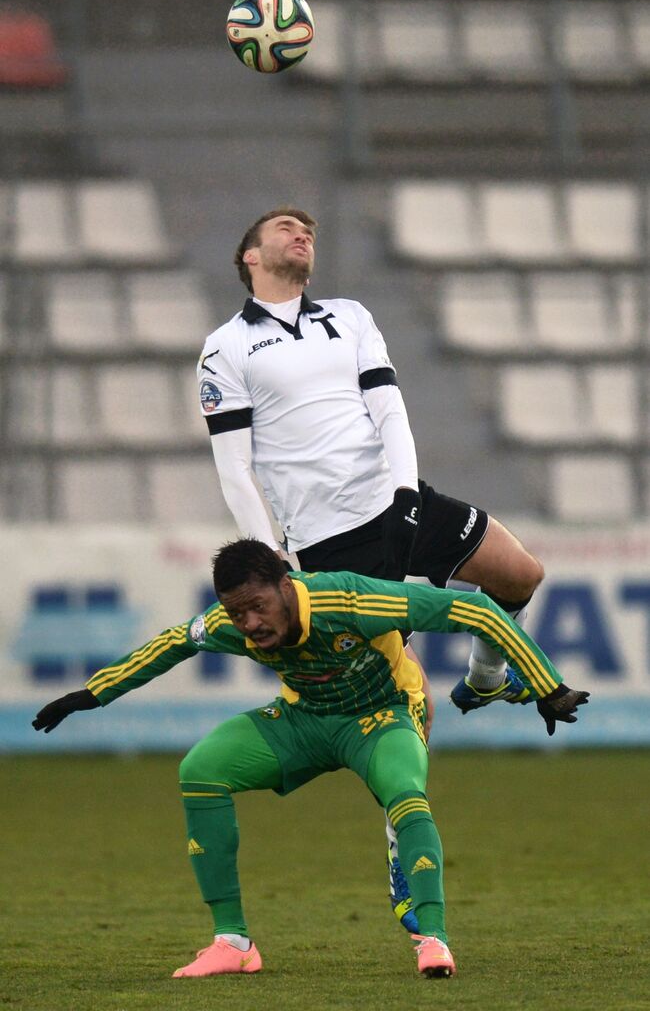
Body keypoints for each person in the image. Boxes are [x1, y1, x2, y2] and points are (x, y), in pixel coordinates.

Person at [196, 207, 548, 926]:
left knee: (520, 575)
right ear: (249, 254)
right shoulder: (225, 349)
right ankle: (399, 846)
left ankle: (485, 680)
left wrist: (406, 493)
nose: (304, 236)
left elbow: (390, 411)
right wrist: (272, 562)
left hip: (395, 500)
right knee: (400, 695)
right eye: (288, 227)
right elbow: (235, 469)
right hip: (325, 541)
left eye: (312, 231)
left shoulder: (350, 317)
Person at [32, 539, 588, 980]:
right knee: (198, 770)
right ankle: (234, 943)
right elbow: (175, 640)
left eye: (257, 606)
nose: (249, 623)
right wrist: (92, 693)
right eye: (237, 611)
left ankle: (434, 939)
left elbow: (480, 609)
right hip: (303, 722)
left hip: (383, 716)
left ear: (286, 584)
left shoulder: (348, 600)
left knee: (405, 792)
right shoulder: (231, 625)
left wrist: (548, 686)